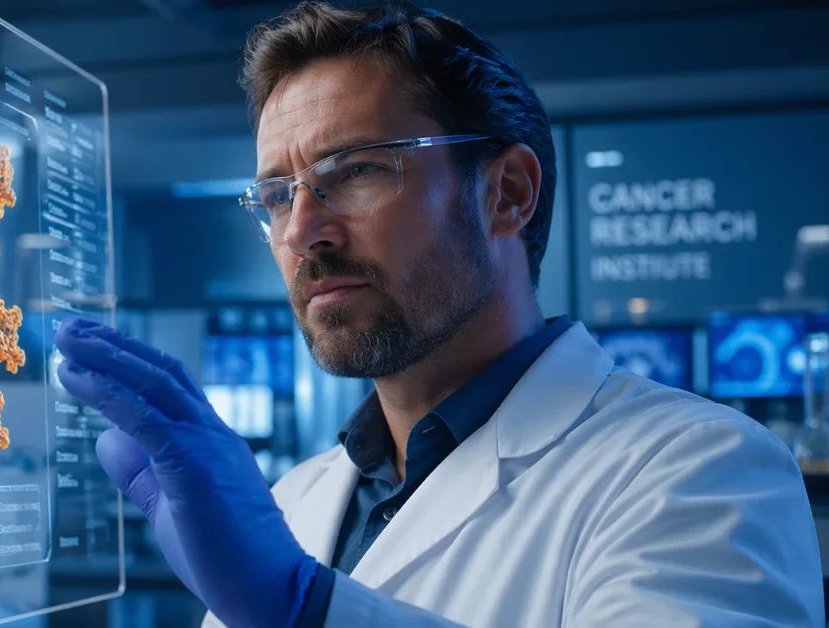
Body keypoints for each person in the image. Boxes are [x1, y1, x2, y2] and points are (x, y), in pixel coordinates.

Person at [53, 2, 824, 626]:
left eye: (354, 170)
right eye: (278, 196)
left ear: (506, 194)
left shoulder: (700, 472)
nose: (303, 232)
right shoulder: (292, 505)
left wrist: (307, 610)